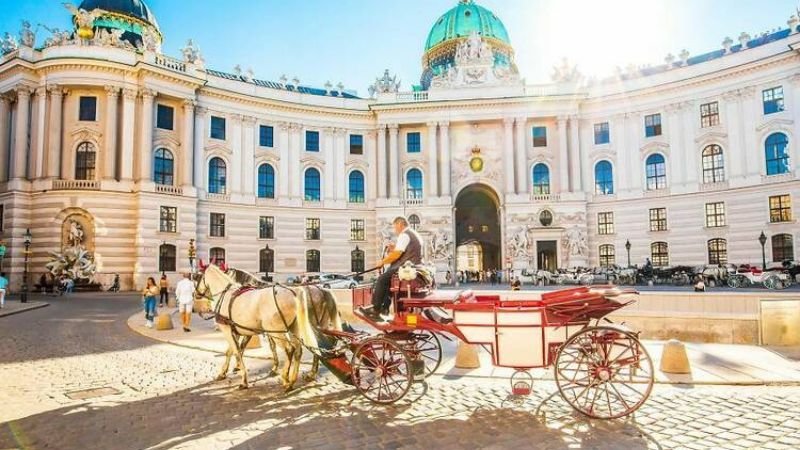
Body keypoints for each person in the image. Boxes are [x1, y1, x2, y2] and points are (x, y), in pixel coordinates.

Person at [361, 216, 423, 321]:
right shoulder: (414, 233)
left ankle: (375, 309)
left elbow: (397, 254)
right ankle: (384, 308)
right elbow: (405, 250)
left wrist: (382, 262)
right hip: (413, 265)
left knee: (381, 280)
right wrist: (394, 248)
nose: (395, 231)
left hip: (405, 266)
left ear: (400, 224)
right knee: (389, 281)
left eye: (395, 227)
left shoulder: (404, 234)